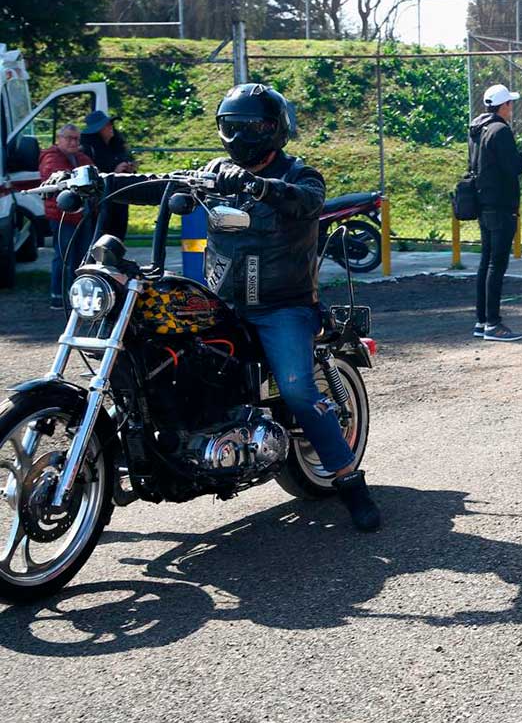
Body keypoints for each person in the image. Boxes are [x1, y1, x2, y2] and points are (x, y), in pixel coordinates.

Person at [103, 84, 381, 531]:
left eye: (253, 126)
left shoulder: (300, 175)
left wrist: (259, 186)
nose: (241, 134)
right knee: (154, 356)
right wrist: (97, 180)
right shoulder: (215, 171)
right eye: (232, 126)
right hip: (220, 301)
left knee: (298, 392)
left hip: (282, 307)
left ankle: (350, 482)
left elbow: (306, 203)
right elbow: (158, 186)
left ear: (276, 129)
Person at [467, 83, 522, 342]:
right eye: (510, 103)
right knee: (496, 265)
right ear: (504, 106)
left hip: (483, 204)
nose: (512, 108)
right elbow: (513, 167)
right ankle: (493, 324)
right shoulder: (500, 131)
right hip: (501, 205)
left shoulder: (478, 130)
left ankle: (482, 321)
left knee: (486, 263)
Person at [38, 123, 95, 309]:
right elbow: (60, 179)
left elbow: (95, 174)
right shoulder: (51, 158)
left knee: (83, 259)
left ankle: (78, 296)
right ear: (59, 139)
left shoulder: (81, 157)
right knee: (64, 258)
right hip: (62, 217)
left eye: (76, 139)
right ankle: (58, 296)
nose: (73, 142)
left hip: (81, 216)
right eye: (69, 138)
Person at [80, 109, 136, 241]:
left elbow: (127, 160)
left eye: (110, 124)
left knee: (118, 236)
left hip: (121, 197)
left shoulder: (118, 145)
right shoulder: (87, 150)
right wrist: (113, 173)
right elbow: (91, 176)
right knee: (101, 238)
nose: (111, 127)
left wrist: (130, 168)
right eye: (106, 125)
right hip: (102, 202)